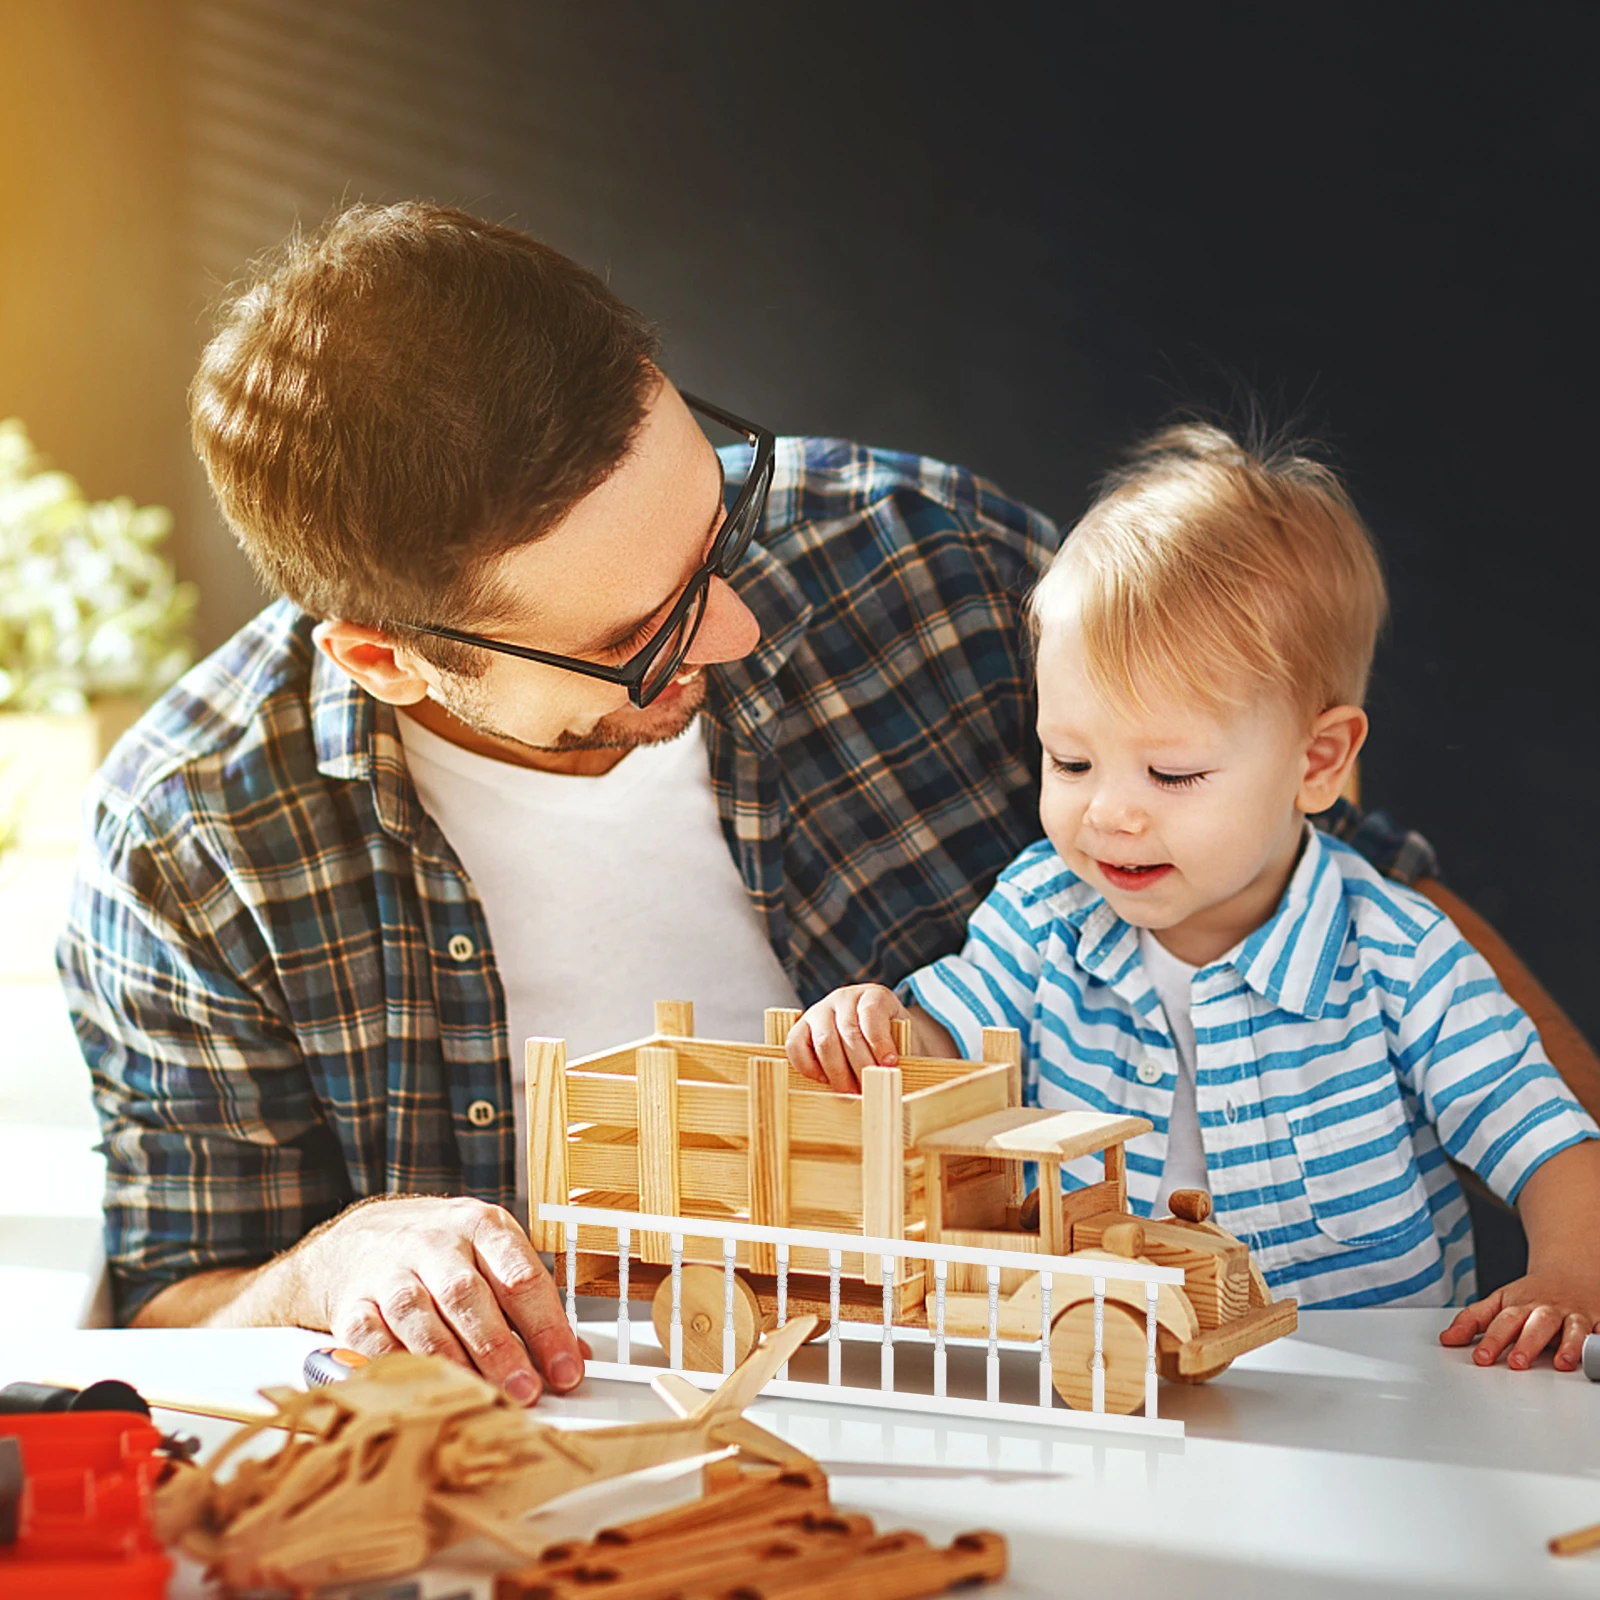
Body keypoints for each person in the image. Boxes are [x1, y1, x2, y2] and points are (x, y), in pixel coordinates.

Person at [57, 202, 1442, 1404]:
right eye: (636, 637)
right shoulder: (195, 847)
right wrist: (331, 1264)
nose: (731, 628)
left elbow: (1355, 894)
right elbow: (172, 1309)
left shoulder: (929, 566)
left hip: (1038, 1390)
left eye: (713, 524)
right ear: (386, 656)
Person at [785, 424, 1600, 1372]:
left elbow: (1549, 1142)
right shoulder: (1045, 913)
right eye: (1071, 760)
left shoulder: (1398, 955)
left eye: (1172, 773)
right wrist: (882, 1027)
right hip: (1111, 1361)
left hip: (1371, 1393)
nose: (1110, 815)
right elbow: (946, 1045)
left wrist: (1574, 1274)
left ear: (1317, 761)